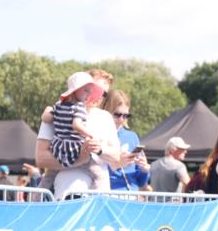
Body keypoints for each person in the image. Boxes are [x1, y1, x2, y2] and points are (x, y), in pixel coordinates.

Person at [35, 69, 126, 200]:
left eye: (104, 93)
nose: (98, 95)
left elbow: (116, 156)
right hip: (66, 197)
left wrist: (99, 149)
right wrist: (79, 160)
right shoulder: (59, 110)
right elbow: (41, 158)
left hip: (99, 200)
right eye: (94, 89)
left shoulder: (105, 117)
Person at [41, 71, 110, 191]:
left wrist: (47, 111)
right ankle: (99, 200)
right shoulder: (79, 107)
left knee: (49, 176)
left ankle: (36, 200)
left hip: (58, 148)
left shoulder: (58, 104)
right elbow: (76, 125)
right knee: (100, 176)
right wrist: (90, 134)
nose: (89, 94)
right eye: (86, 90)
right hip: (74, 149)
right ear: (75, 90)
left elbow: (46, 118)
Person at [104, 89, 150, 191]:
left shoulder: (132, 136)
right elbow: (94, 172)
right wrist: (117, 164)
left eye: (126, 115)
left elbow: (141, 182)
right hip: (109, 196)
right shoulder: (98, 134)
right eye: (117, 114)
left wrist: (144, 169)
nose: (121, 119)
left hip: (131, 196)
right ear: (107, 111)